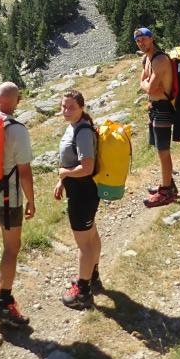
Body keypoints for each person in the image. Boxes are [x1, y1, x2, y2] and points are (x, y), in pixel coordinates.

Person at [0, 81, 35, 327]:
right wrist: (31, 200)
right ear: (18, 101)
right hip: (8, 198)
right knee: (12, 247)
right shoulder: (17, 130)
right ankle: (4, 304)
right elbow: (25, 172)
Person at [53, 90, 102, 309]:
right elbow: (70, 160)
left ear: (82, 107)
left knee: (84, 244)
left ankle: (83, 292)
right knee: (91, 235)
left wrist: (65, 174)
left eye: (71, 107)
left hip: (83, 194)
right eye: (63, 106)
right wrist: (62, 180)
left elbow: (87, 167)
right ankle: (92, 275)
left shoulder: (82, 132)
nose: (66, 111)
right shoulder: (74, 126)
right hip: (82, 191)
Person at [136, 27, 177, 207]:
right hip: (154, 107)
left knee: (163, 151)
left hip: (163, 108)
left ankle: (166, 191)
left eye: (144, 39)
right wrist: (148, 85)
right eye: (138, 41)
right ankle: (169, 184)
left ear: (151, 38)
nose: (141, 43)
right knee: (159, 149)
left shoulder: (159, 59)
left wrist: (147, 85)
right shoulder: (146, 58)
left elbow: (150, 87)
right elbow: (145, 84)